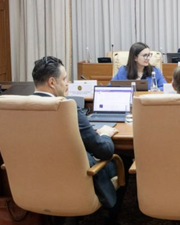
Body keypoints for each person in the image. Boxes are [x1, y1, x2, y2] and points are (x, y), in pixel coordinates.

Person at [32, 56, 122, 221]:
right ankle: (112, 218)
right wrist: (104, 134)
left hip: (35, 180)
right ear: (52, 82)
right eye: (65, 79)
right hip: (73, 179)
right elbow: (104, 151)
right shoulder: (67, 108)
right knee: (120, 161)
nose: (67, 83)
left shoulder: (17, 108)